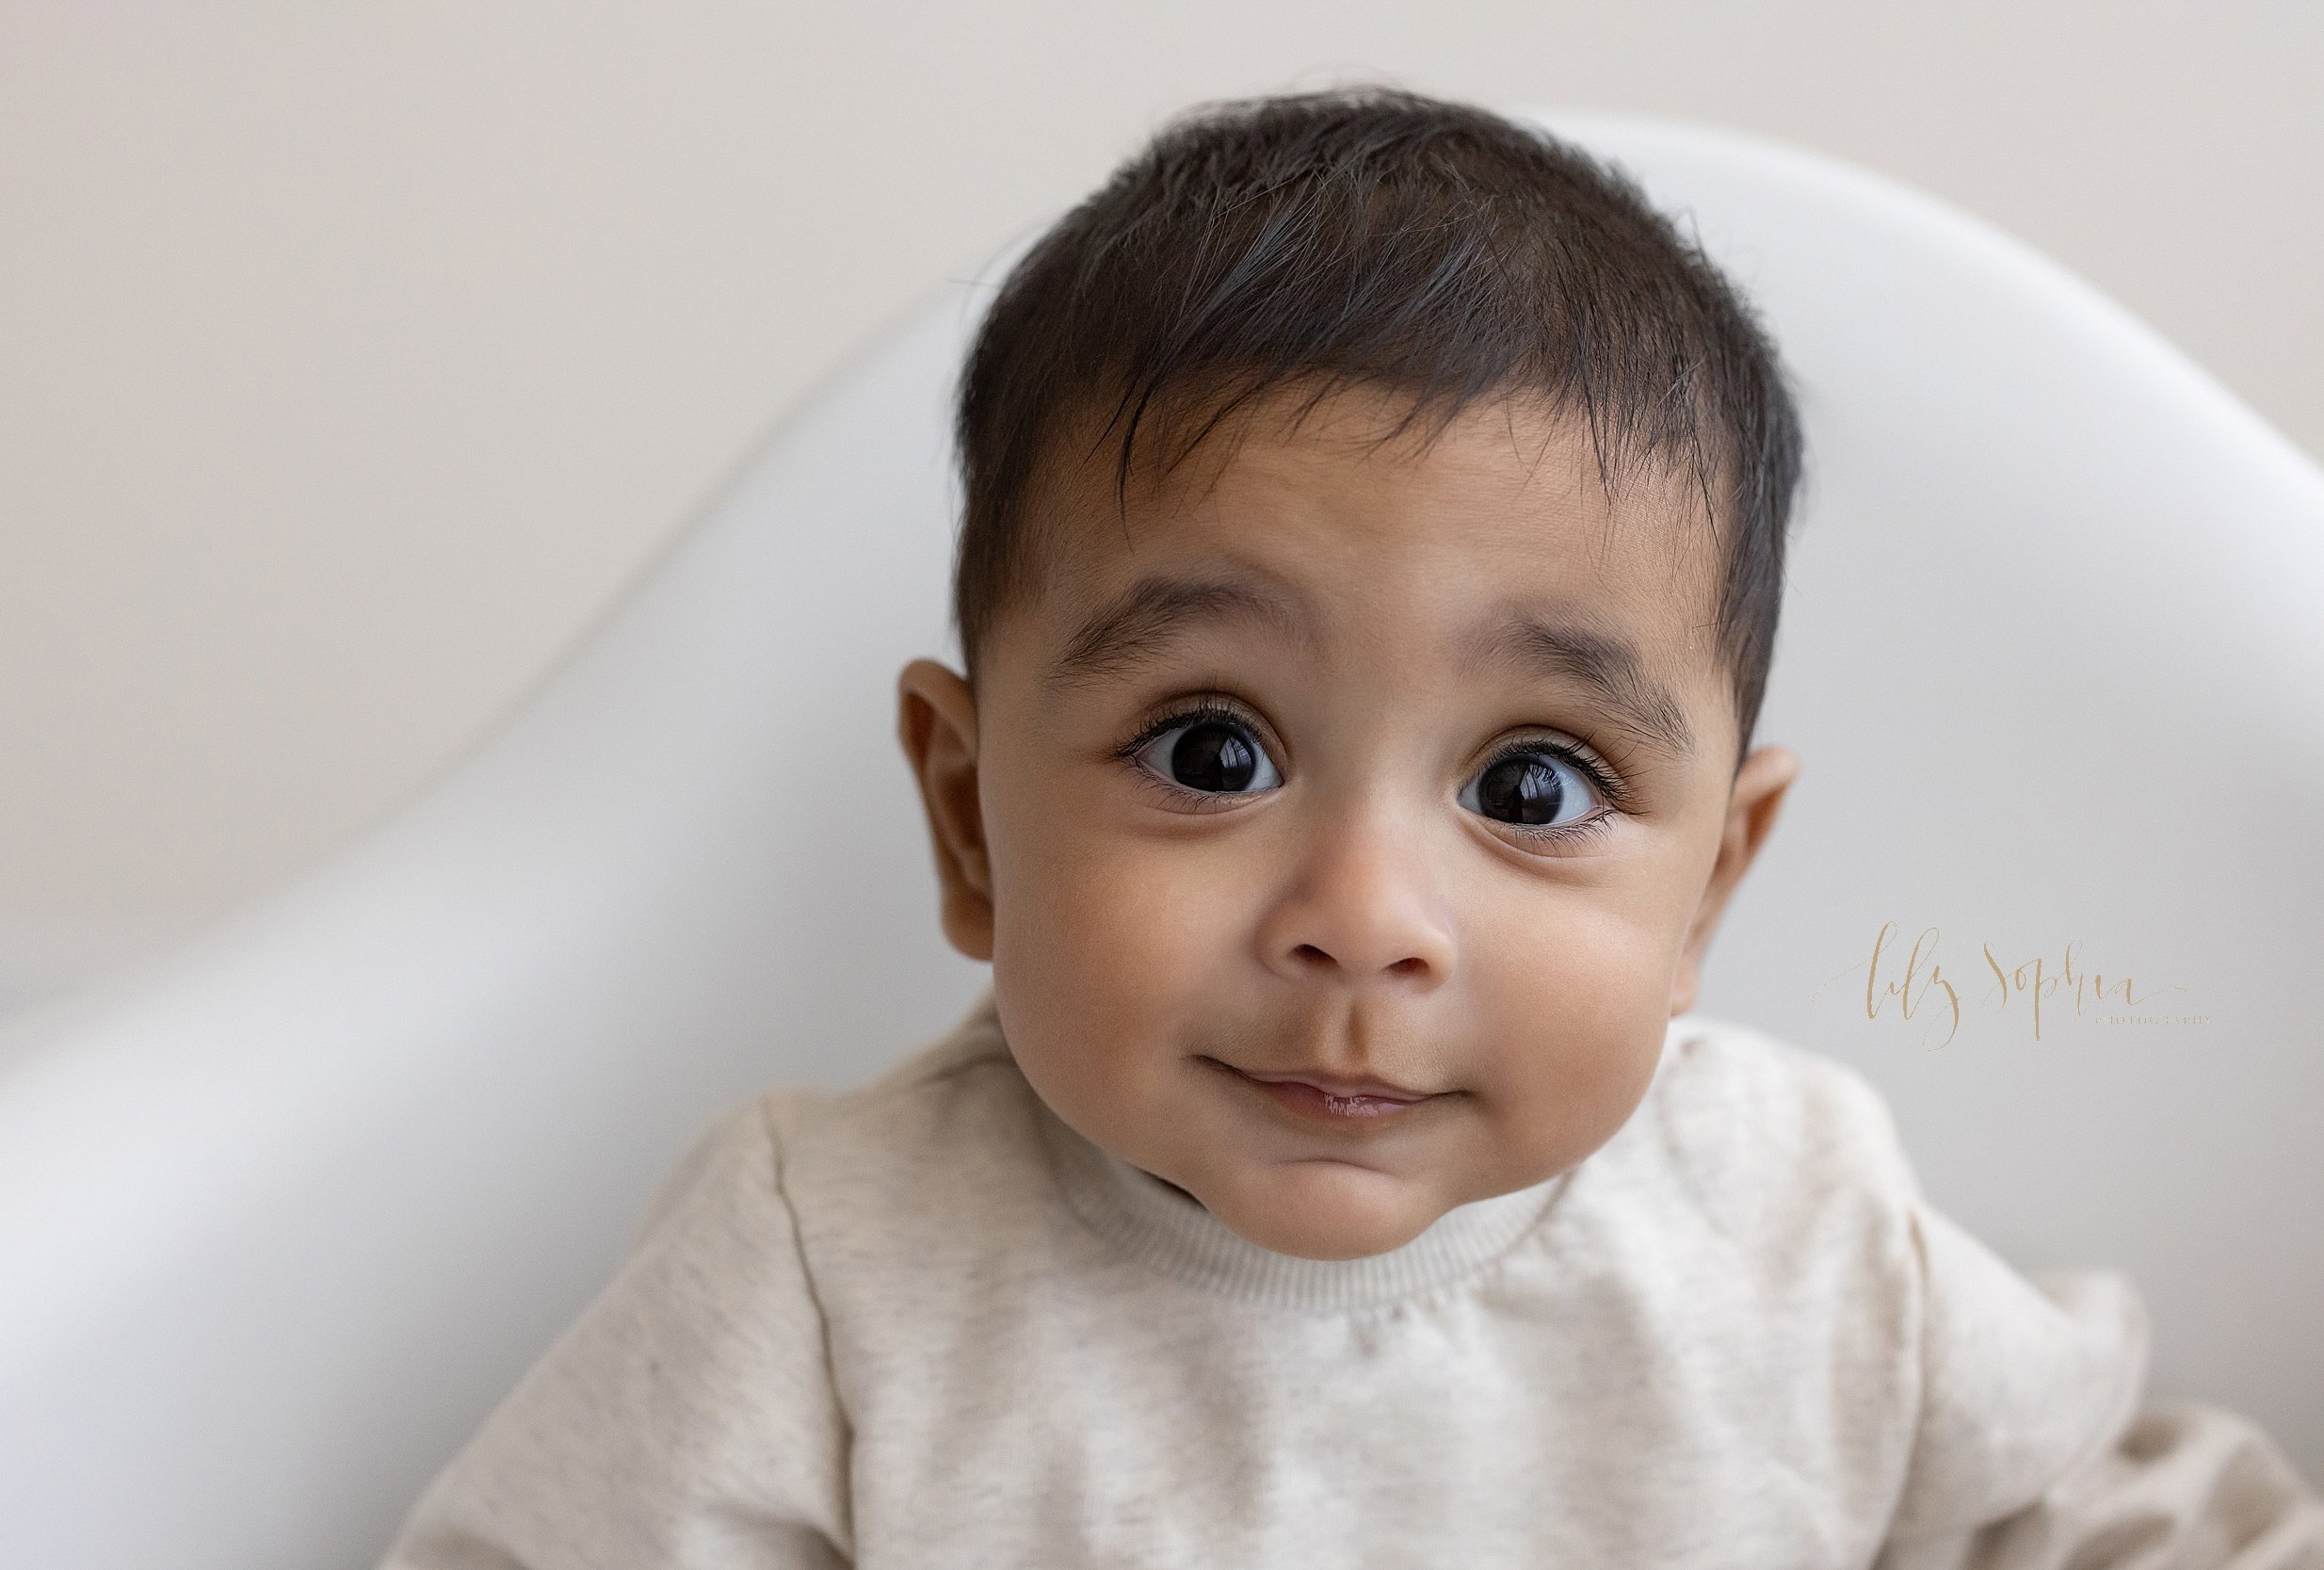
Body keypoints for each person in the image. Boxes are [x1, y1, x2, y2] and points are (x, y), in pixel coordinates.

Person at [379, 87, 2323, 1568]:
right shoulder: (829, 1275)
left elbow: (2134, 1528)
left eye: (1528, 787)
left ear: (1706, 886)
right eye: (1212, 753)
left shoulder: (1800, 1231)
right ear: (968, 818)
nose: (1363, 920)